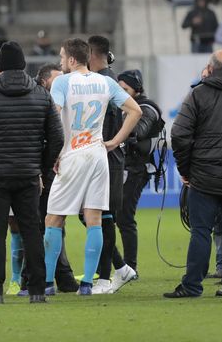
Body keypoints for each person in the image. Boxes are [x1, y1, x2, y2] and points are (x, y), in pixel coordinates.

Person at [0, 41, 63, 304]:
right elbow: (57, 137)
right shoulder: (42, 96)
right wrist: (40, 168)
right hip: (28, 175)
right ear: (22, 64)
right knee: (32, 230)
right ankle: (38, 291)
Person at [44, 38, 141, 296]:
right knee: (94, 219)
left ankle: (45, 284)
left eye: (63, 57)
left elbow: (54, 117)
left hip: (72, 153)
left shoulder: (62, 82)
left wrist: (54, 153)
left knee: (53, 219)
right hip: (98, 153)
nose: (61, 62)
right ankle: (88, 284)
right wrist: (115, 142)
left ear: (72, 60)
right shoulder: (106, 82)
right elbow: (135, 111)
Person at [165, 50, 222, 298]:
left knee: (201, 231)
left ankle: (192, 286)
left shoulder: (198, 94)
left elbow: (178, 134)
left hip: (204, 176)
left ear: (209, 69)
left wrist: (186, 169)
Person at [18, 63, 79, 295]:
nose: (62, 83)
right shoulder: (39, 101)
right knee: (40, 224)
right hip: (39, 168)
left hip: (50, 166)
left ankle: (60, 276)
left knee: (53, 223)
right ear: (44, 82)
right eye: (56, 80)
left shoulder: (52, 100)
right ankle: (32, 278)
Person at [86, 35, 137, 294]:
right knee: (93, 217)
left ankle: (105, 278)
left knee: (101, 219)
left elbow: (135, 112)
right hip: (105, 158)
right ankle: (121, 268)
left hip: (106, 158)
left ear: (92, 55)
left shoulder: (103, 82)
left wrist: (114, 141)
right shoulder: (108, 79)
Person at [116, 69, 163, 276]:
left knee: (124, 216)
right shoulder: (124, 107)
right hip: (124, 167)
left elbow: (139, 130)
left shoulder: (147, 108)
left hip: (136, 169)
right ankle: (122, 266)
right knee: (114, 216)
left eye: (124, 88)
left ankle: (130, 267)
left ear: (136, 89)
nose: (121, 92)